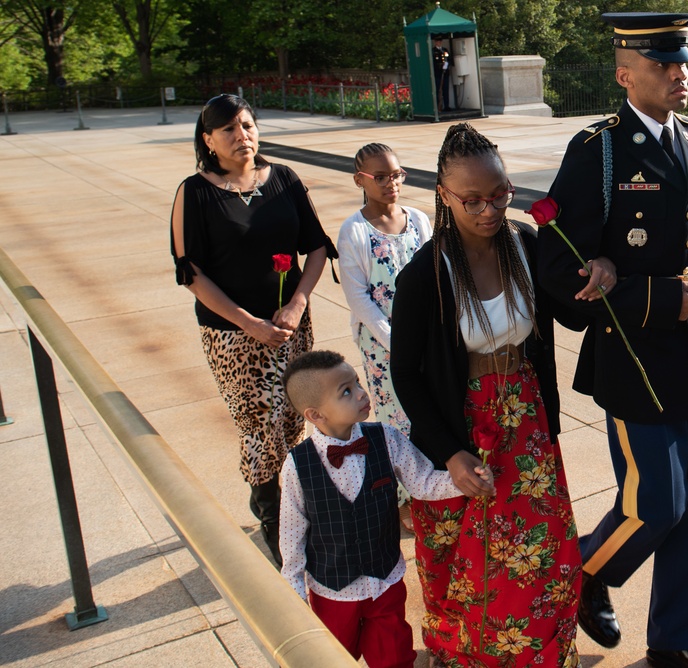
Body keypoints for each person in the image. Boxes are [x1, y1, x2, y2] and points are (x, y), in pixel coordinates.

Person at [536, 12, 688, 668]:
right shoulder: (598, 151)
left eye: (682, 62)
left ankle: (675, 648)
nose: (679, 73)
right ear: (626, 74)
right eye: (664, 65)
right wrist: (647, 295)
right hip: (634, 357)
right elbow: (555, 264)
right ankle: (586, 574)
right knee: (657, 501)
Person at [390, 122, 618, 667]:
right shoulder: (427, 273)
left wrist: (601, 271)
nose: (489, 209)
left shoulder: (525, 245)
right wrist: (450, 453)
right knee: (471, 568)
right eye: (472, 200)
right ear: (444, 196)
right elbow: (406, 375)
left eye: (500, 194)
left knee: (545, 558)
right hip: (461, 425)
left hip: (527, 422)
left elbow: (574, 311)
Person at [170, 93, 335, 566]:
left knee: (296, 419)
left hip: (290, 327)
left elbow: (317, 246)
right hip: (234, 337)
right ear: (208, 140)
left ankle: (300, 506)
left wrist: (297, 303)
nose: (241, 135)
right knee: (260, 427)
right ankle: (277, 528)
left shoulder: (283, 179)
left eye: (247, 125)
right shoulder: (194, 192)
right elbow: (191, 272)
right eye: (228, 129)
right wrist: (248, 323)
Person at [278, 350, 493, 668]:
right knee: (330, 660)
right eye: (346, 392)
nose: (362, 393)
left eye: (357, 383)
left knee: (393, 656)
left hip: (385, 581)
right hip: (331, 591)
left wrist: (463, 481)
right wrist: (294, 590)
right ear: (316, 415)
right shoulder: (298, 465)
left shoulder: (387, 439)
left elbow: (422, 482)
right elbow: (292, 533)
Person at [337, 143, 432, 532]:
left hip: (424, 340)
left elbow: (433, 275)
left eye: (396, 174)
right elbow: (359, 297)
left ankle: (431, 484)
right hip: (384, 347)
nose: (391, 183)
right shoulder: (355, 231)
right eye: (380, 177)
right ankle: (404, 499)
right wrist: (396, 343)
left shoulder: (420, 220)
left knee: (428, 412)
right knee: (396, 419)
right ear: (361, 180)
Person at [433, 36, 451, 112]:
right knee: (438, 91)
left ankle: (446, 106)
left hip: (445, 73)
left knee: (445, 90)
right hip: (438, 74)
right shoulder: (433, 51)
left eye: (440, 41)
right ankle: (438, 106)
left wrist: (446, 65)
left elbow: (449, 59)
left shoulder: (445, 50)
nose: (439, 42)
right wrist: (440, 66)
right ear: (435, 42)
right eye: (438, 41)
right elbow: (433, 63)